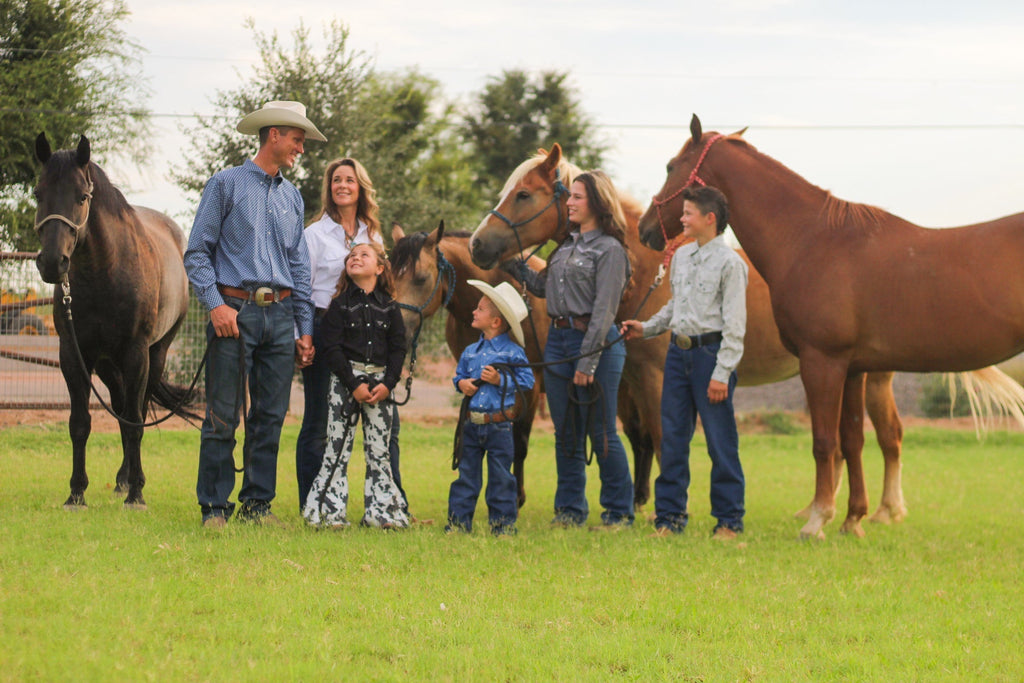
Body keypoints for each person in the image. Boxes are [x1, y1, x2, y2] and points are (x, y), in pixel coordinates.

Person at [185, 100, 324, 528]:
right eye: (297, 140)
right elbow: (196, 253)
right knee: (224, 412)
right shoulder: (224, 185)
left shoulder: (293, 198)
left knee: (270, 415)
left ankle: (258, 506)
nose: (301, 148)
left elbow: (299, 266)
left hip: (281, 316)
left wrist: (304, 328)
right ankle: (214, 507)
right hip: (234, 312)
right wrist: (215, 305)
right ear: (274, 135)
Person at [621, 185, 748, 539]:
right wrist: (645, 329)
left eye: (689, 213)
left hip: (711, 358)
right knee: (673, 439)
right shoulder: (681, 257)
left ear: (710, 219)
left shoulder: (731, 265)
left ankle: (728, 522)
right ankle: (670, 519)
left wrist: (722, 373)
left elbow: (735, 326)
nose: (682, 218)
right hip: (677, 356)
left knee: (720, 443)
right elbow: (675, 308)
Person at [514, 170, 634, 529]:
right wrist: (512, 261)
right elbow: (541, 286)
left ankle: (618, 512)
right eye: (571, 197)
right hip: (559, 342)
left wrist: (589, 359)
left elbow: (604, 310)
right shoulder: (565, 247)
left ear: (597, 202)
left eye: (578, 197)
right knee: (565, 431)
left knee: (601, 432)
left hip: (595, 344)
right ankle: (569, 510)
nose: (570, 203)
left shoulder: (610, 250)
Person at [296, 158, 387, 510]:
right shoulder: (314, 234)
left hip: (364, 331)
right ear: (329, 189)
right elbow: (302, 289)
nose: (342, 185)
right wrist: (302, 335)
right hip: (323, 326)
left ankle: (381, 501)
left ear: (360, 187)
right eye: (336, 180)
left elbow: (381, 286)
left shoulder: (373, 235)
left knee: (366, 419)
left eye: (349, 179)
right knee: (319, 418)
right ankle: (312, 502)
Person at [301, 243, 408, 529]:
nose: (355, 258)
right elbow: (332, 349)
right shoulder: (339, 306)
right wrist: (353, 384)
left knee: (379, 449)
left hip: (381, 386)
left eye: (364, 255)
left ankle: (383, 513)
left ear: (380, 268)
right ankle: (328, 513)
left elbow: (399, 348)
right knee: (337, 447)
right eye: (351, 256)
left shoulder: (390, 307)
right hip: (345, 385)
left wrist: (388, 384)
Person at [448, 280, 535, 536]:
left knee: (501, 478)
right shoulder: (471, 351)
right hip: (471, 424)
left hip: (499, 426)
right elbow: (459, 376)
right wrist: (462, 383)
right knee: (466, 476)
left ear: (496, 322)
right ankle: (458, 524)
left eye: (480, 309)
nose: (474, 312)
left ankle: (503, 526)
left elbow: (527, 382)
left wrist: (500, 380)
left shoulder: (513, 354)